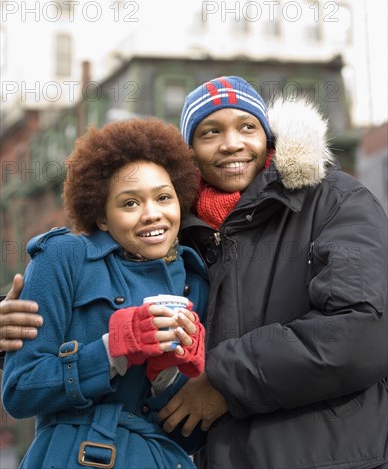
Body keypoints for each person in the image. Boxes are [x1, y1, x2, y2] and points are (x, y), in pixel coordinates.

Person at [2, 75, 388, 469]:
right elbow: (33, 370)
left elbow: (362, 331)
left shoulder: (335, 201)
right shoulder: (184, 244)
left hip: (334, 456)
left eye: (247, 127)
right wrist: (25, 325)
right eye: (210, 132)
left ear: (268, 136)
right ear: (190, 155)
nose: (232, 143)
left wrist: (218, 381)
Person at [1, 118, 209, 469]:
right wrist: (112, 351)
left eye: (163, 197)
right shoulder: (62, 257)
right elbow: (20, 392)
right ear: (101, 216)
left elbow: (188, 435)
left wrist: (168, 378)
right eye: (130, 203)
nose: (152, 214)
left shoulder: (194, 277)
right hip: (75, 456)